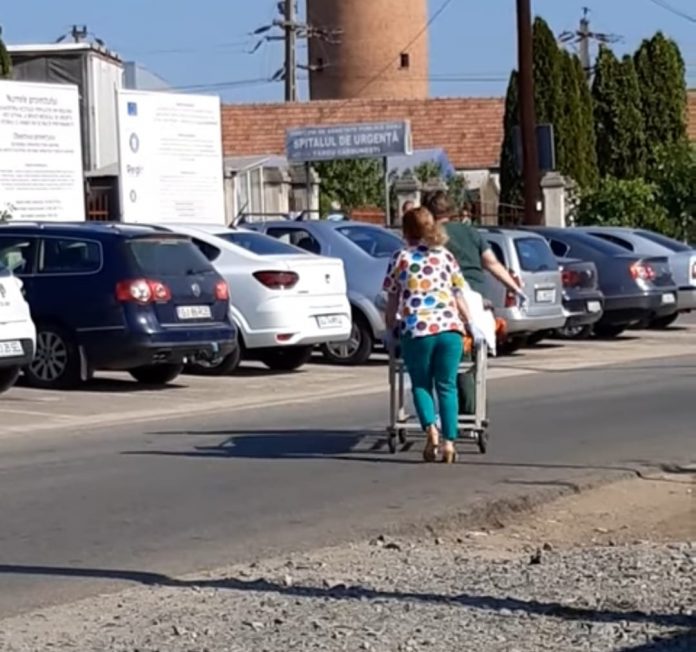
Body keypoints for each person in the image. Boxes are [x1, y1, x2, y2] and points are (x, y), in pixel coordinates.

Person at [383, 207, 484, 464]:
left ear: (405, 231)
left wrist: (390, 329)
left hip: (418, 330)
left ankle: (431, 430)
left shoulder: (401, 258)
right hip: (450, 329)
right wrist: (470, 323)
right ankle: (450, 443)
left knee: (421, 384)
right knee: (447, 386)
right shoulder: (445, 256)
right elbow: (458, 294)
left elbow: (392, 298)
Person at [423, 191, 527, 416]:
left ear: (429, 212)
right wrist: (515, 288)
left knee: (455, 361)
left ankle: (467, 414)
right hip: (478, 302)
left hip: (449, 304)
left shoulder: (433, 235)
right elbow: (492, 263)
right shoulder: (471, 233)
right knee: (471, 360)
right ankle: (473, 412)